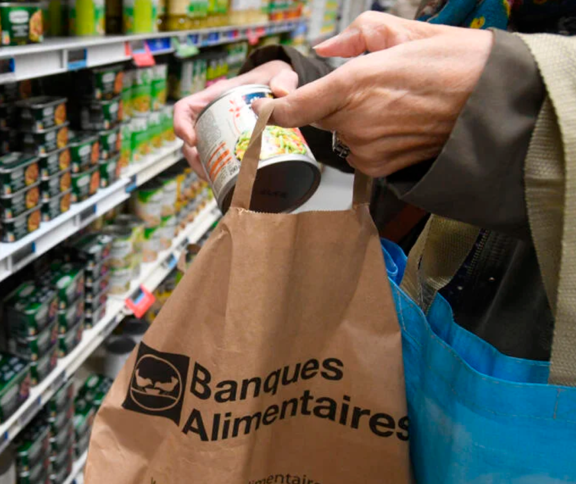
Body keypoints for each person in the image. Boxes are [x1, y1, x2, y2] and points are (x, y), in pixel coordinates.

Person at [176, 10, 563, 363]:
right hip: (400, 293)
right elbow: (416, 82)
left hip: (526, 346)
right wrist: (294, 78)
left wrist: (497, 107)